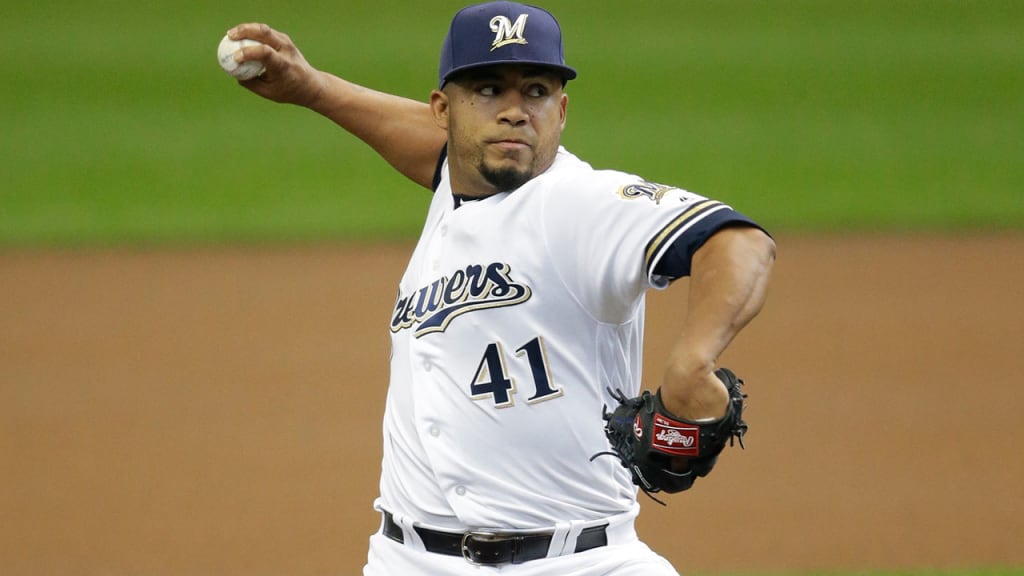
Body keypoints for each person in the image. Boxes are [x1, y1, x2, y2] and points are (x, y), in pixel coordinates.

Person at [225, 2, 775, 574]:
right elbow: (435, 149)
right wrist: (311, 87)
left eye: (535, 91)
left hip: (579, 562)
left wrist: (691, 361)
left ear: (561, 112)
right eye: (489, 90)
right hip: (407, 560)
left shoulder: (576, 202)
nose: (515, 113)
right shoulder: (458, 186)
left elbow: (740, 243)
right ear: (443, 109)